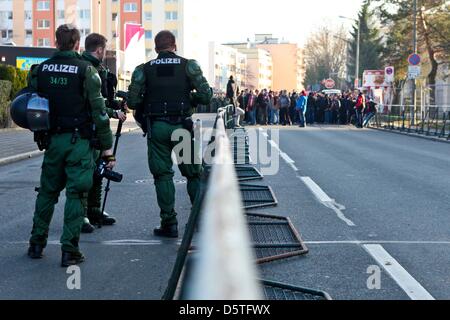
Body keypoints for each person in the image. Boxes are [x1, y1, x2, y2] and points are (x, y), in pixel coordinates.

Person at [27, 24, 114, 267]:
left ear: (56, 42)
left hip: (53, 140)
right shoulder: (86, 70)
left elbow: (28, 104)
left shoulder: (40, 70)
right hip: (79, 142)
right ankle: (69, 251)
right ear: (77, 44)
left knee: (47, 192)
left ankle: (36, 244)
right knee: (76, 195)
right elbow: (99, 113)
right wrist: (107, 149)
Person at [127, 30, 212, 238]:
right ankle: (199, 219)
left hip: (157, 128)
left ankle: (169, 223)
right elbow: (206, 95)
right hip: (182, 126)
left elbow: (132, 102)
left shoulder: (143, 69)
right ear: (174, 45)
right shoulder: (188, 65)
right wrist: (188, 100)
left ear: (156, 48)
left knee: (162, 175)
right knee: (193, 173)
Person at [80, 33, 127, 233]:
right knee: (84, 175)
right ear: (99, 50)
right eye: (104, 50)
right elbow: (91, 105)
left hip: (98, 127)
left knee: (99, 170)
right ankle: (81, 215)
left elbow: (104, 99)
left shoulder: (101, 69)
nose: (104, 53)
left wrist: (116, 105)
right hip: (85, 128)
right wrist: (112, 112)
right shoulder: (84, 68)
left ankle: (93, 210)